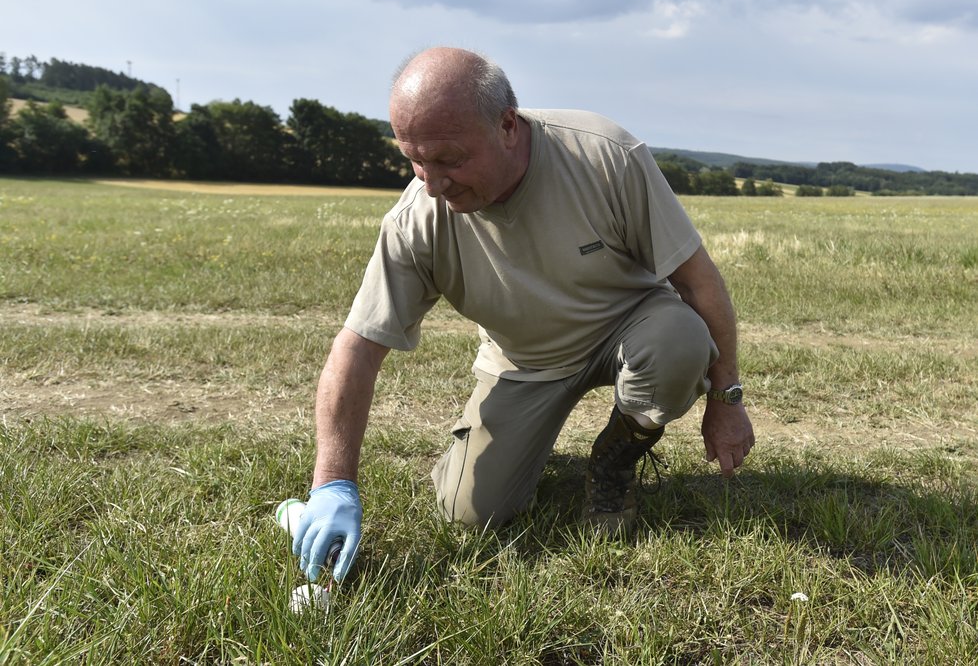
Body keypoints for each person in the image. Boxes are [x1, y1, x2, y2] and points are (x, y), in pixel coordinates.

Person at [292, 47, 755, 584]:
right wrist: (333, 483)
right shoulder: (416, 220)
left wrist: (726, 399)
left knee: (680, 339)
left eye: (448, 158)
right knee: (469, 514)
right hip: (525, 361)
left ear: (508, 125)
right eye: (414, 159)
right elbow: (358, 346)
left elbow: (698, 280)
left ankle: (615, 461)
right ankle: (511, 454)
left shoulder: (605, 156)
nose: (432, 182)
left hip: (633, 328)